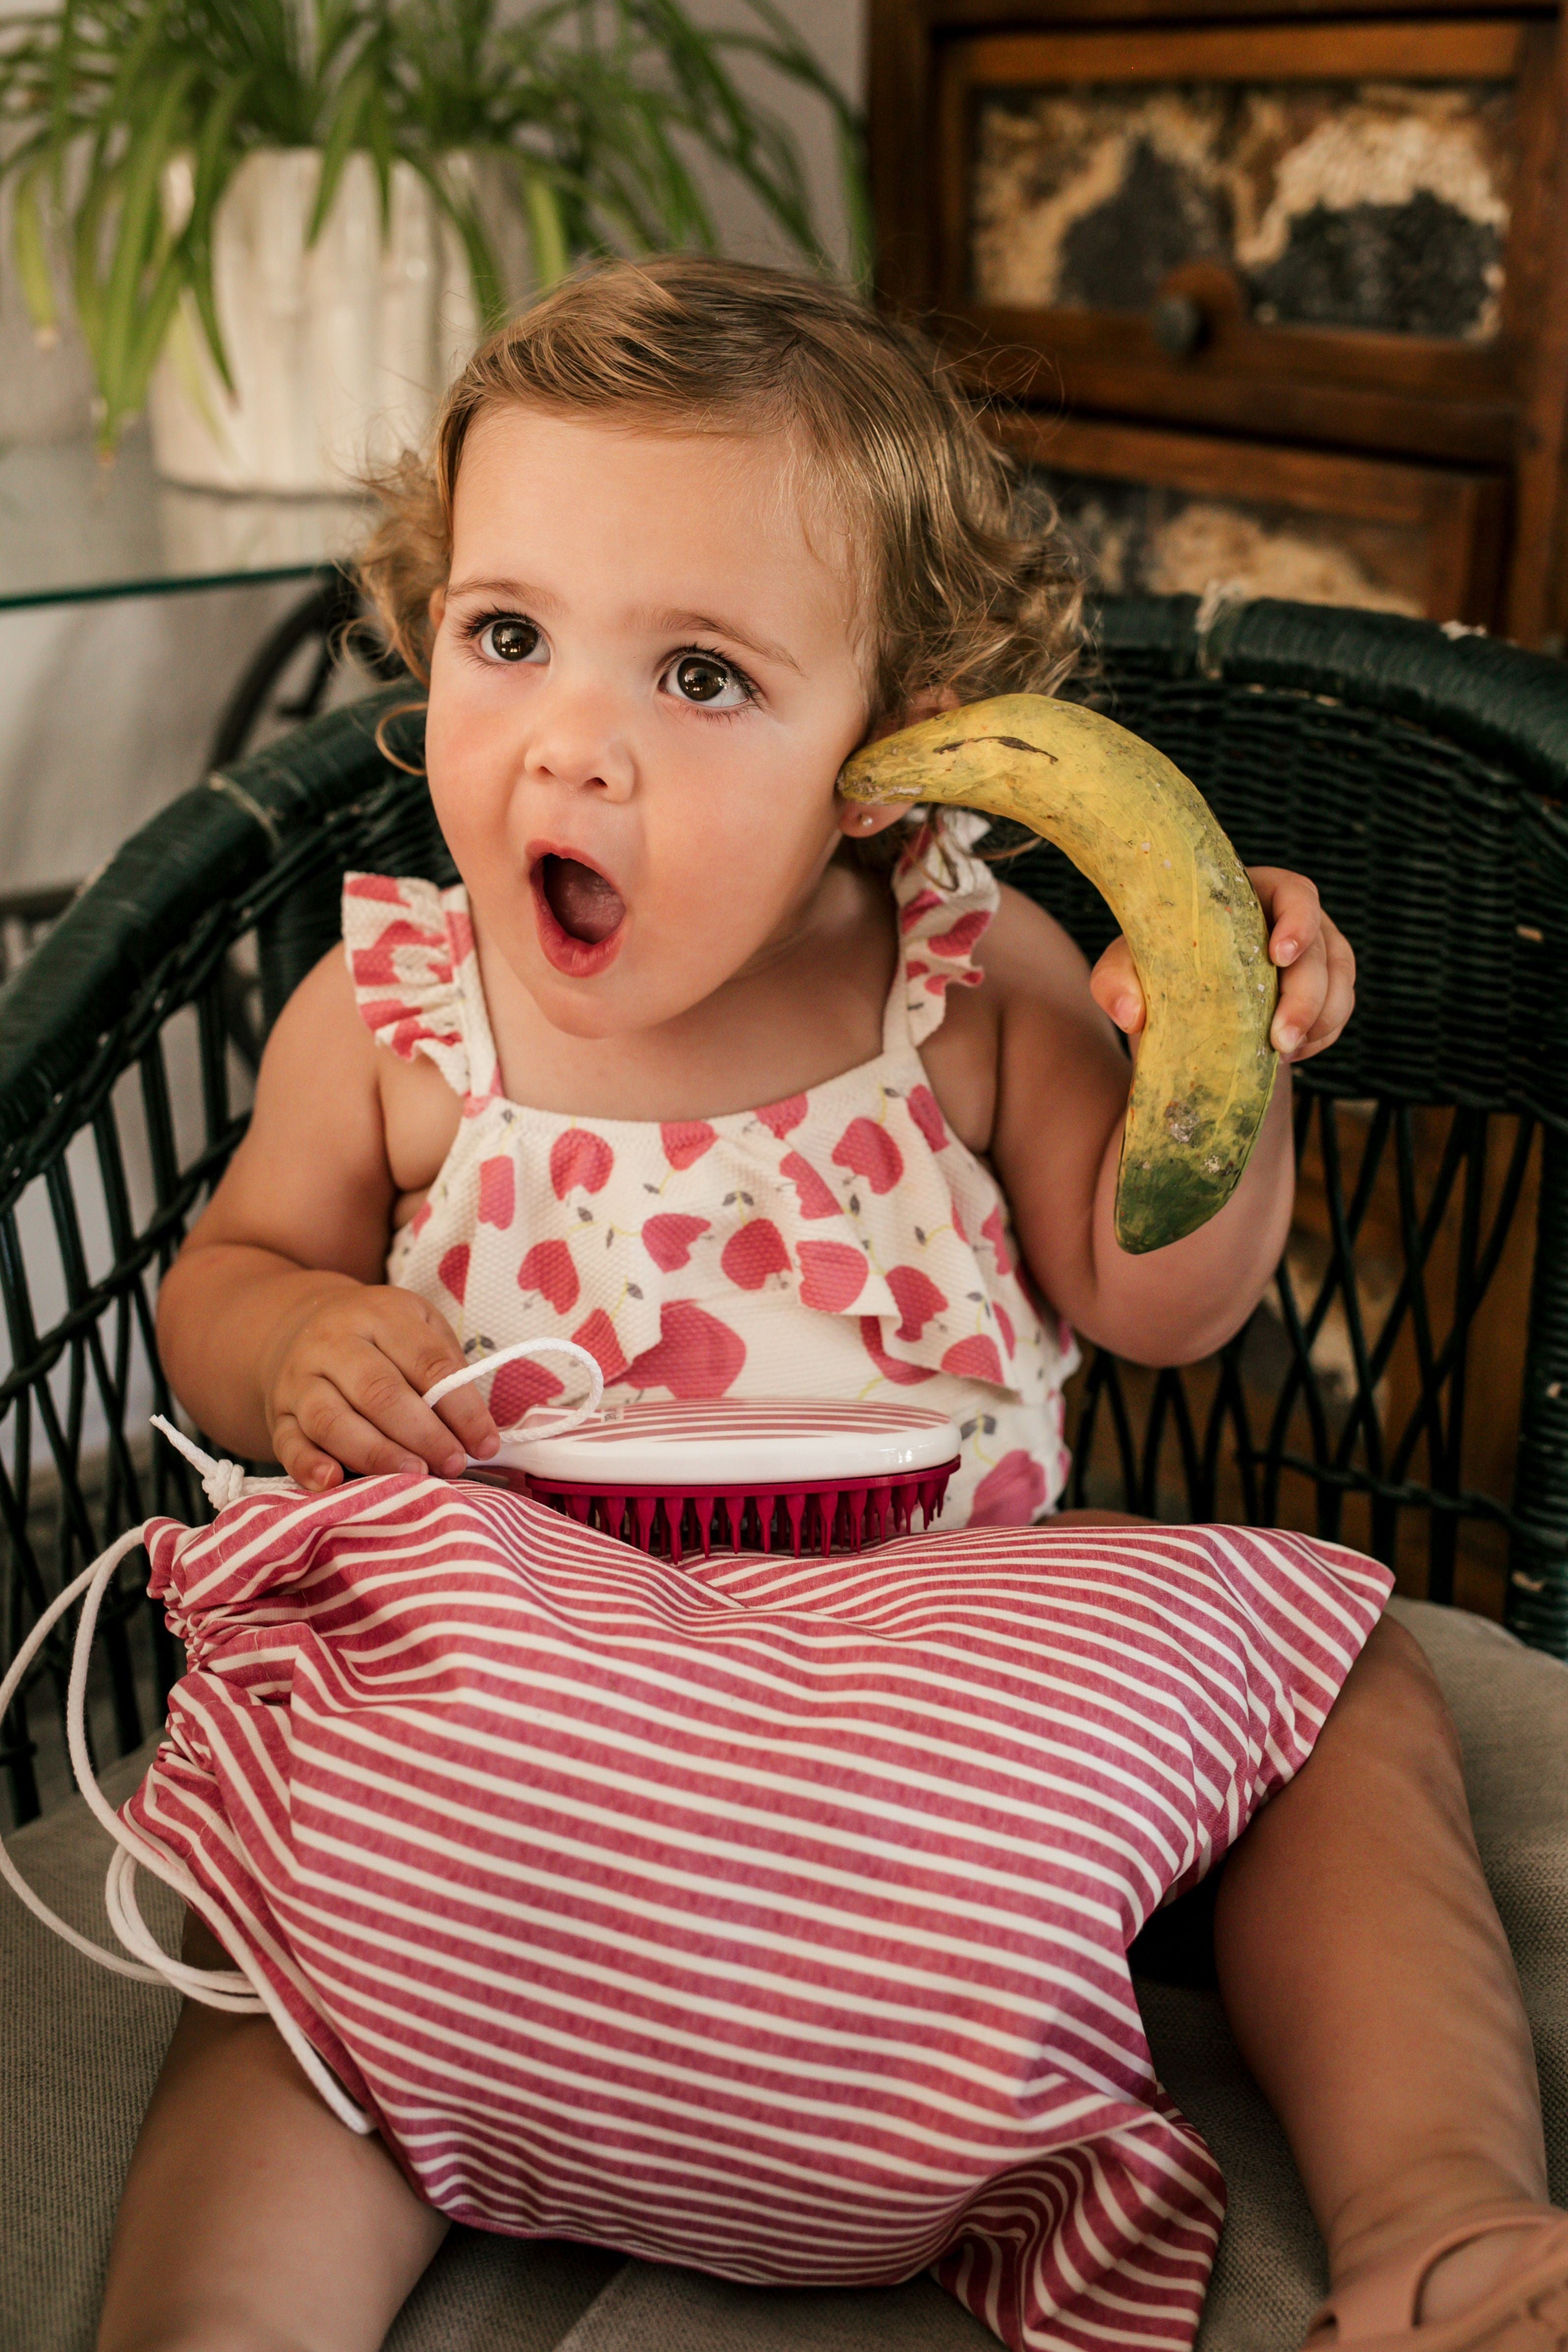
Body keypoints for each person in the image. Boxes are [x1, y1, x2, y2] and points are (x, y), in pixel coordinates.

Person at [108, 259, 1563, 2352]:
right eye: (507, 633)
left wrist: (1210, 1058)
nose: (572, 746)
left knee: (1332, 1675)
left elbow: (1160, 1305)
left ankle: (1443, 2220)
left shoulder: (965, 972)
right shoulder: (401, 1006)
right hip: (513, 1712)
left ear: (891, 744)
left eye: (700, 673)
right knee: (298, 1944)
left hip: (914, 1732)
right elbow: (219, 1285)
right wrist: (289, 1342)